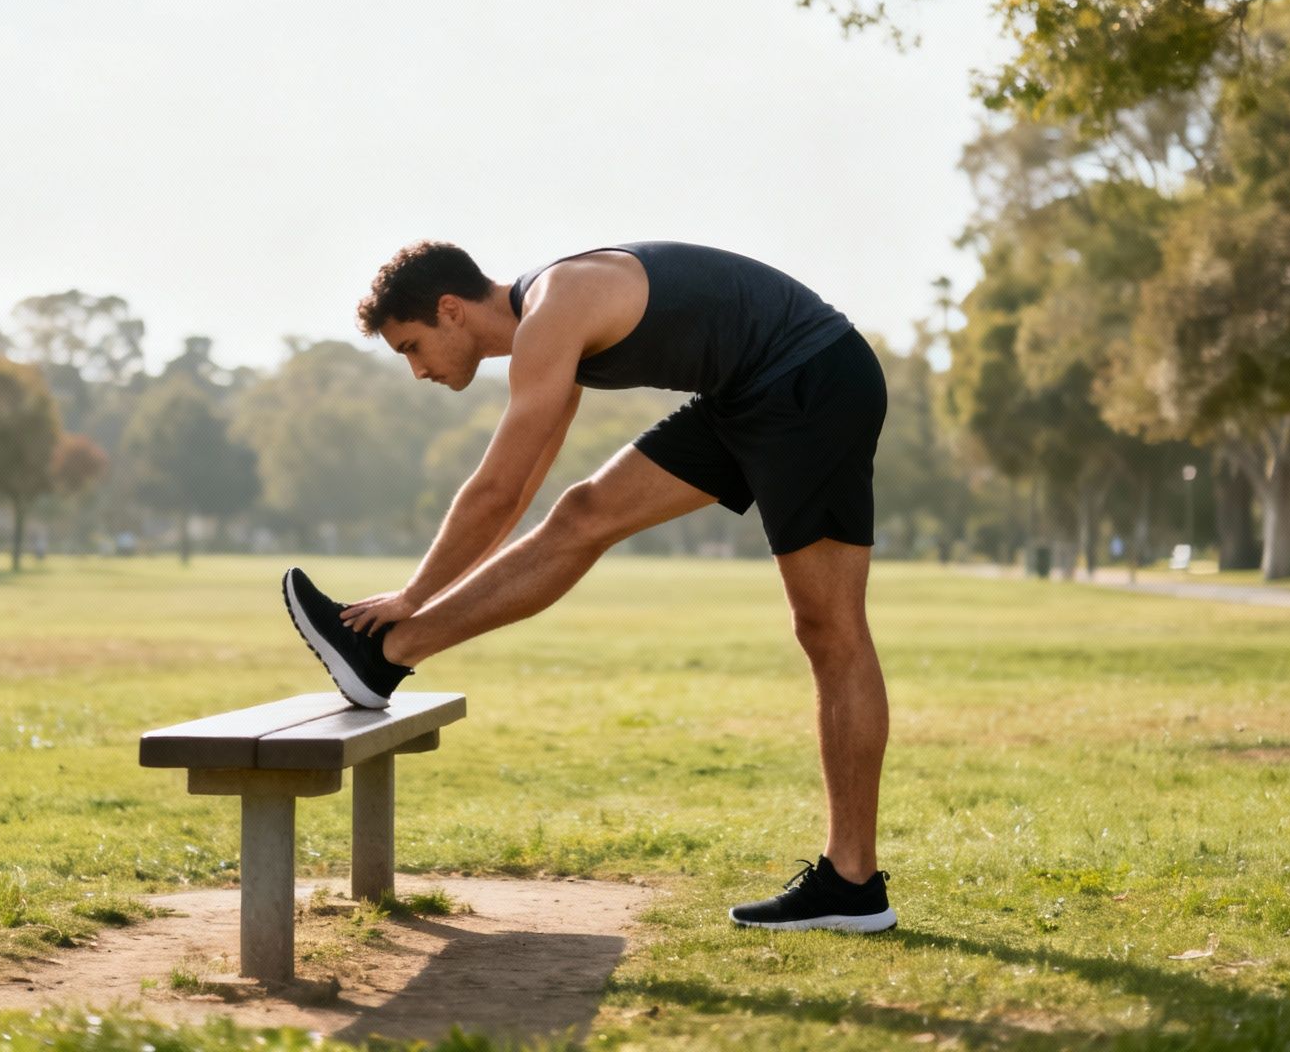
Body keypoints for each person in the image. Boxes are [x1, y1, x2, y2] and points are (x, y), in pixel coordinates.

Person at [281, 240, 892, 934]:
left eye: (411, 346)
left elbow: (497, 490)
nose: (417, 369)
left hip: (809, 378)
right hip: (748, 392)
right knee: (583, 515)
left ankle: (852, 881)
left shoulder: (554, 311)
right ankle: (384, 654)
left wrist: (412, 591)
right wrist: (413, 605)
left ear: (451, 310)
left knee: (829, 629)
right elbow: (522, 488)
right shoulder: (549, 331)